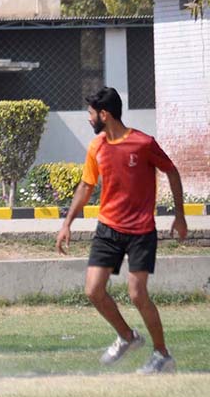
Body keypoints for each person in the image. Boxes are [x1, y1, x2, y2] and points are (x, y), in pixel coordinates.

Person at [56, 87, 187, 374]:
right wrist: (67, 224)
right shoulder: (97, 147)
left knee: (137, 293)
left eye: (91, 114)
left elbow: (172, 171)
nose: (89, 119)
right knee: (93, 290)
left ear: (105, 114)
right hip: (108, 229)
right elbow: (86, 186)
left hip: (141, 231)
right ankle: (128, 336)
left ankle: (162, 354)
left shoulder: (143, 143)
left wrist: (180, 215)